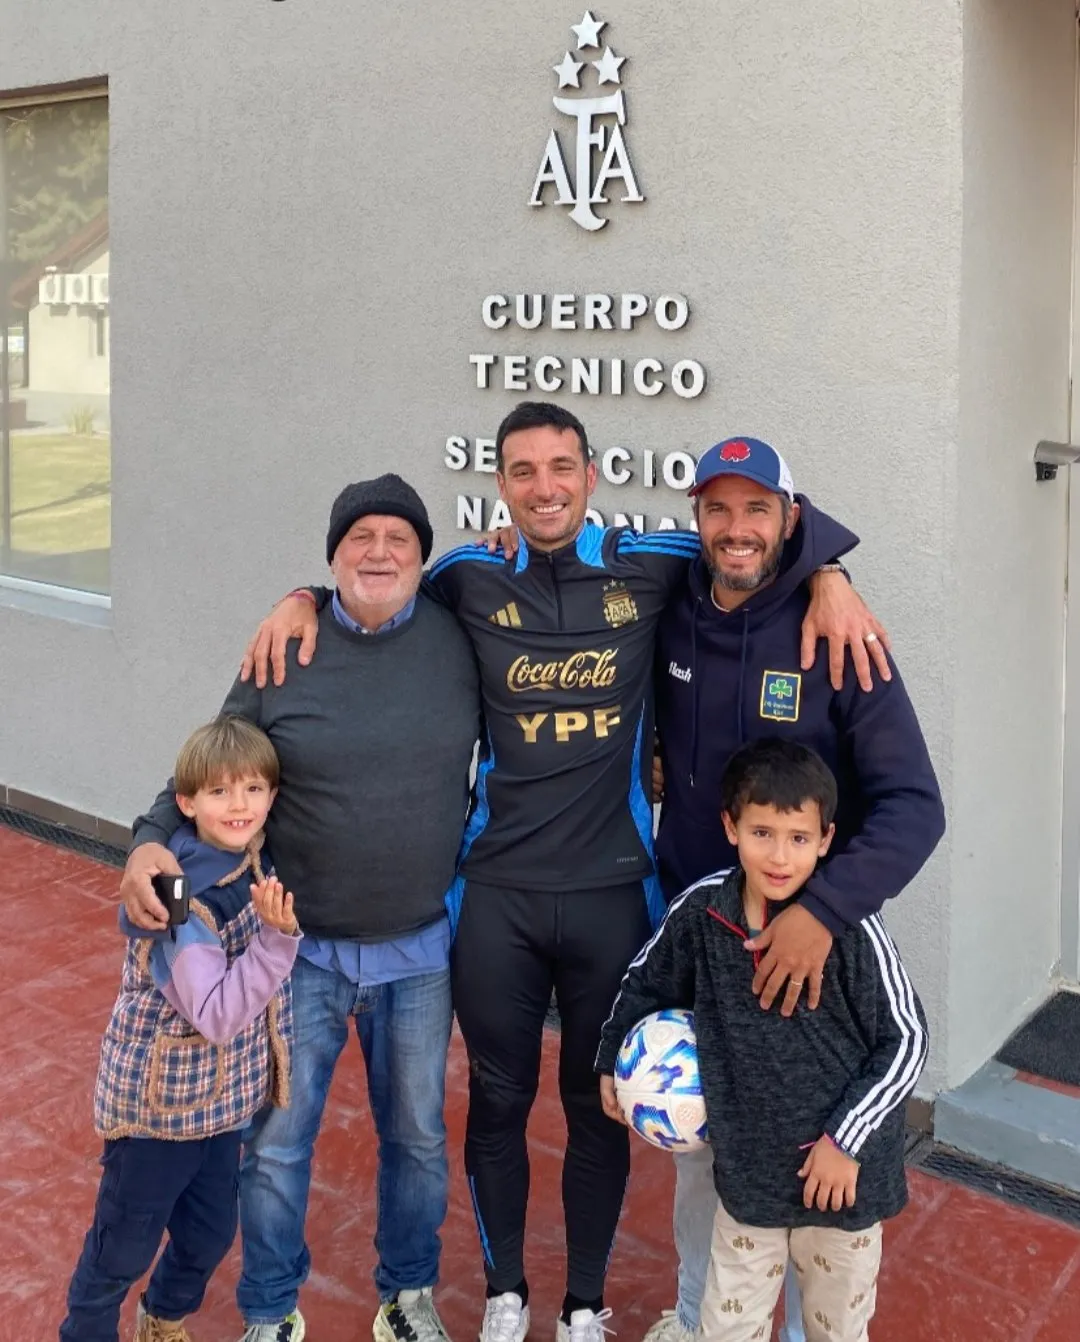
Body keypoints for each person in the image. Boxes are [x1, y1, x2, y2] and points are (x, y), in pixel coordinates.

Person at [242, 404, 887, 1342]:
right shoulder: (467, 575)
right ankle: (507, 1293)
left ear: (590, 473)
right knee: (498, 1099)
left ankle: (585, 1304)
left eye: (559, 467)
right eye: (521, 471)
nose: (542, 487)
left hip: (613, 895)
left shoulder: (653, 559)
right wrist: (300, 594)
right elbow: (375, 585)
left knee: (598, 1106)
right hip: (495, 893)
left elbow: (757, 544)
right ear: (499, 484)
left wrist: (832, 573)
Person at [119, 476, 481, 1342]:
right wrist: (147, 838)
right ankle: (272, 1311)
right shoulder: (286, 649)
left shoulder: (461, 635)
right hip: (297, 951)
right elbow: (210, 766)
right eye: (360, 538)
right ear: (331, 557)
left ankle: (407, 1295)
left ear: (423, 555)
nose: (380, 551)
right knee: (277, 1146)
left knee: (420, 1142)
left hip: (420, 951)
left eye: (399, 536)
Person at [644, 437, 946, 1342]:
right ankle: (708, 1319)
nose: (737, 531)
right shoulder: (671, 607)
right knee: (705, 1157)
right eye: (718, 510)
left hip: (813, 959)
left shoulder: (838, 631)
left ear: (791, 517)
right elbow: (568, 550)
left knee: (817, 1169)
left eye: (758, 510)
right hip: (704, 939)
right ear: (696, 516)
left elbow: (914, 807)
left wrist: (820, 910)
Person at [597, 738, 931, 1342]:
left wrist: (843, 1141)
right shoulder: (703, 914)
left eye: (799, 839)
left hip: (841, 1192)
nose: (780, 856)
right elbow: (643, 982)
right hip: (748, 1184)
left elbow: (906, 1041)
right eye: (762, 833)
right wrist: (611, 1056)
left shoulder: (852, 928)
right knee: (728, 1329)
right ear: (731, 827)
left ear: (826, 839)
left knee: (834, 1332)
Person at [61, 716, 300, 1342]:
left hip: (216, 1108)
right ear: (185, 802)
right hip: (157, 1114)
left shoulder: (251, 856)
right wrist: (277, 943)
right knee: (122, 1247)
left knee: (210, 1231)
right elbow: (217, 1013)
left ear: (273, 796)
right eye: (220, 792)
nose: (240, 804)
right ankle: (85, 1332)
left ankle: (162, 1318)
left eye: (253, 788)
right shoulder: (176, 896)